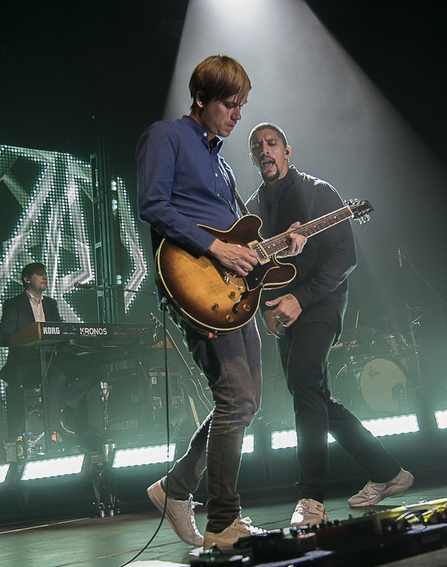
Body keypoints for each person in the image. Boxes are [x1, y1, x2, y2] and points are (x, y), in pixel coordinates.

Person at [136, 55, 303, 550]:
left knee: (245, 402)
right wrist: (213, 248)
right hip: (198, 289)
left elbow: (238, 236)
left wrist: (278, 245)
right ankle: (222, 522)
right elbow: (152, 203)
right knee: (235, 399)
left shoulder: (223, 163)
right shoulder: (166, 136)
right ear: (202, 98)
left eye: (241, 106)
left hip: (234, 294)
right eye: (229, 104)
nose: (236, 115)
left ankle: (175, 489)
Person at [246, 123, 414, 527]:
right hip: (282, 313)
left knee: (305, 384)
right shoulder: (252, 210)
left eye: (271, 144)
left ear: (288, 151)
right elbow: (254, 271)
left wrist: (300, 299)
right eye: (256, 147)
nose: (264, 150)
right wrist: (267, 309)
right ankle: (389, 473)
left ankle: (311, 498)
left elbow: (345, 256)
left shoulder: (320, 193)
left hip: (321, 304)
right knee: (314, 394)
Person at [0, 262, 96, 445]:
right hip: (26, 364)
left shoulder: (50, 304)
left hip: (52, 358)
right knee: (57, 376)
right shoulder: (13, 304)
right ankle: (53, 431)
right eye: (39, 274)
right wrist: (29, 336)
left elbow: (59, 332)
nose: (44, 277)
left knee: (94, 369)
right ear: (27, 279)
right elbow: (4, 338)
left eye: (45, 274)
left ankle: (62, 407)